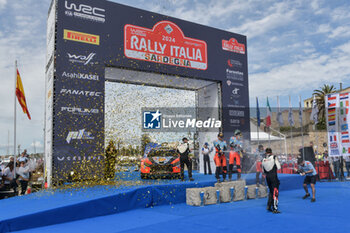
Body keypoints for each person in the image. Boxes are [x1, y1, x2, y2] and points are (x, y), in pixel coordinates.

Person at [262, 148, 281, 214]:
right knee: (275, 191)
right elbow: (279, 167)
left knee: (271, 191)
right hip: (273, 176)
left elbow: (263, 170)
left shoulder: (263, 159)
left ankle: (269, 206)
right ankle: (275, 208)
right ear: (271, 152)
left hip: (267, 177)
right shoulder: (274, 157)